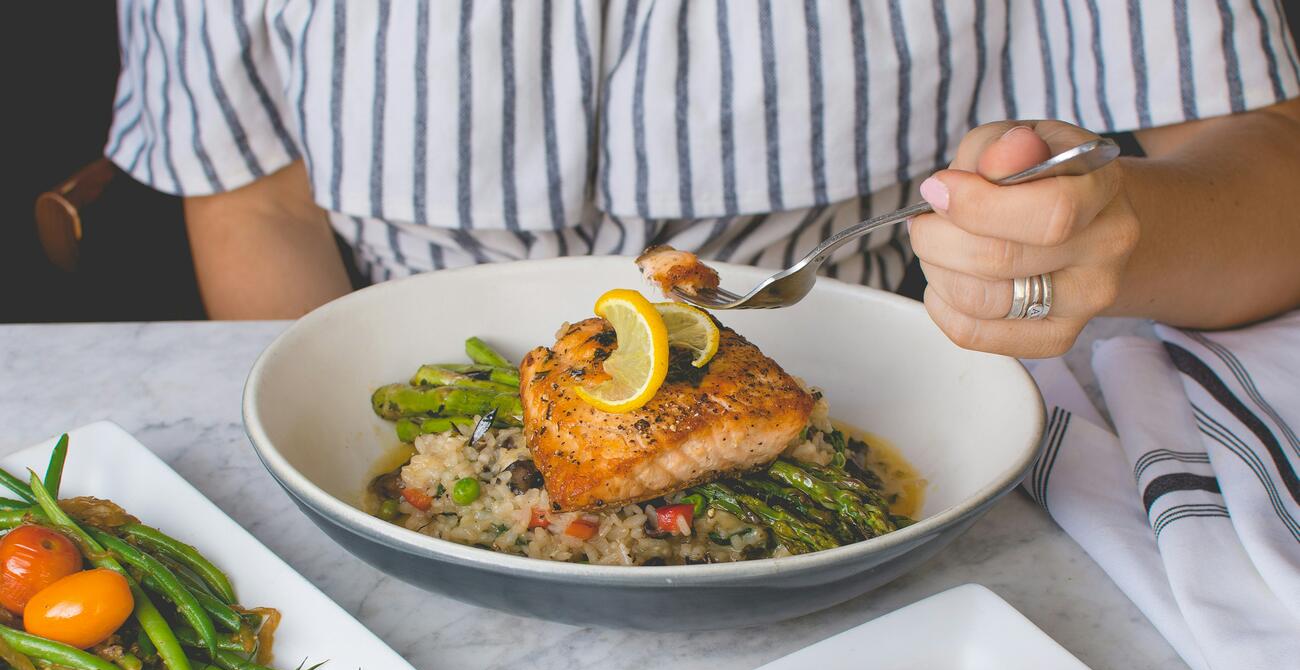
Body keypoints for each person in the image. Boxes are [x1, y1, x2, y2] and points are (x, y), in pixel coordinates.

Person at [107, 2, 1300, 357]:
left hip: (894, 384)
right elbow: (257, 204)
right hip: (418, 398)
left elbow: (1271, 177)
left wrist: (1101, 241)